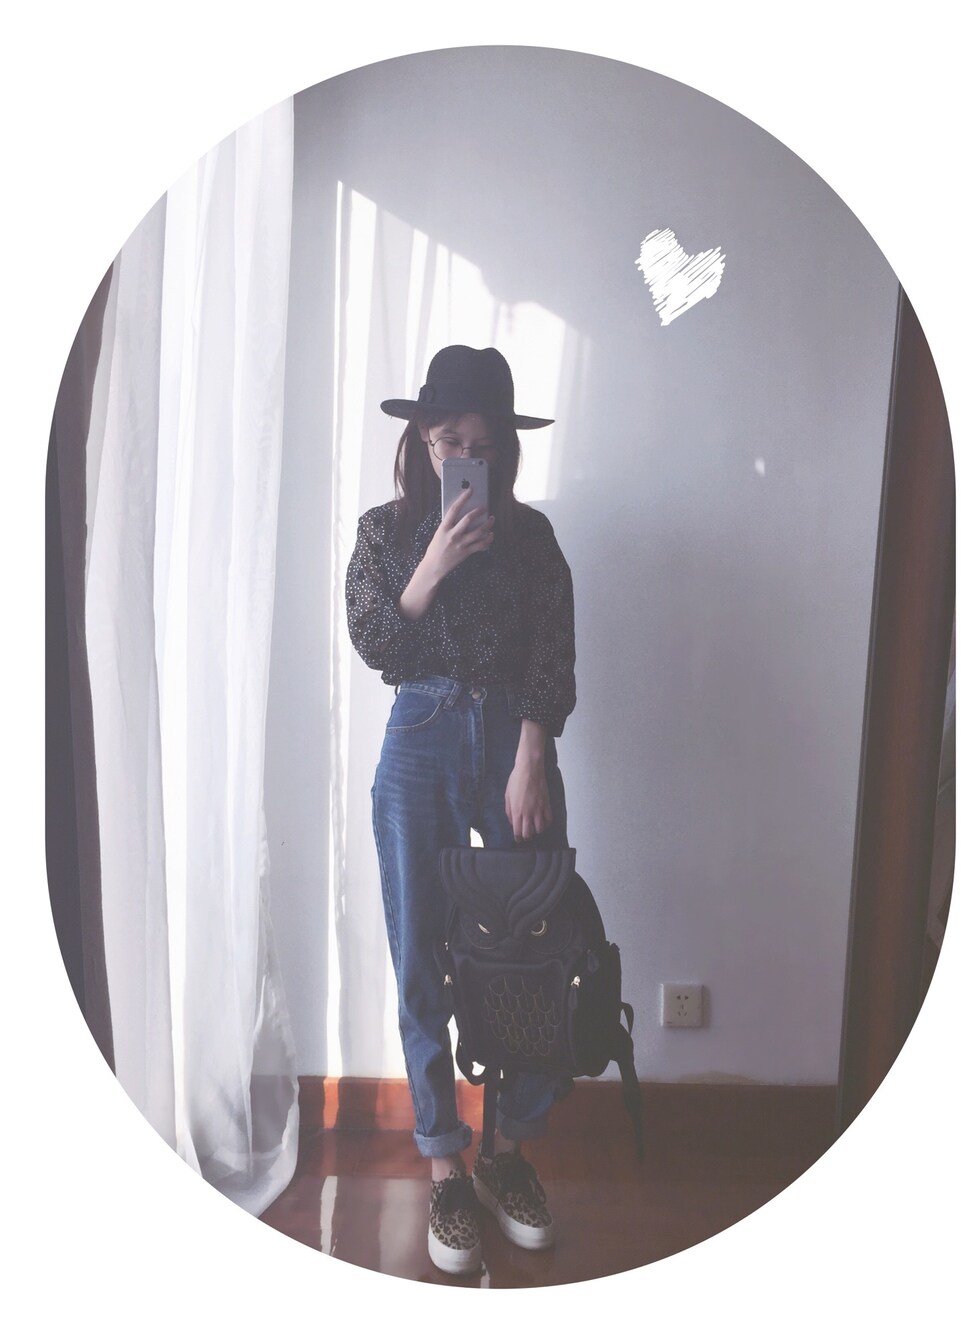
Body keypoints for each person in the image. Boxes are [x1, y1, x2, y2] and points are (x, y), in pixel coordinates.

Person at [345, 345, 576, 1275]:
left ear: (503, 450)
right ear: (422, 441)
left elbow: (552, 656)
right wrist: (433, 562)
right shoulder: (384, 531)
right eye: (449, 442)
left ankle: (505, 1156)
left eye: (482, 444)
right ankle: (445, 1166)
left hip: (514, 742)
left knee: (534, 952)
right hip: (420, 734)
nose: (464, 457)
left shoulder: (533, 539)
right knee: (418, 955)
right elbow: (376, 640)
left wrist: (532, 759)